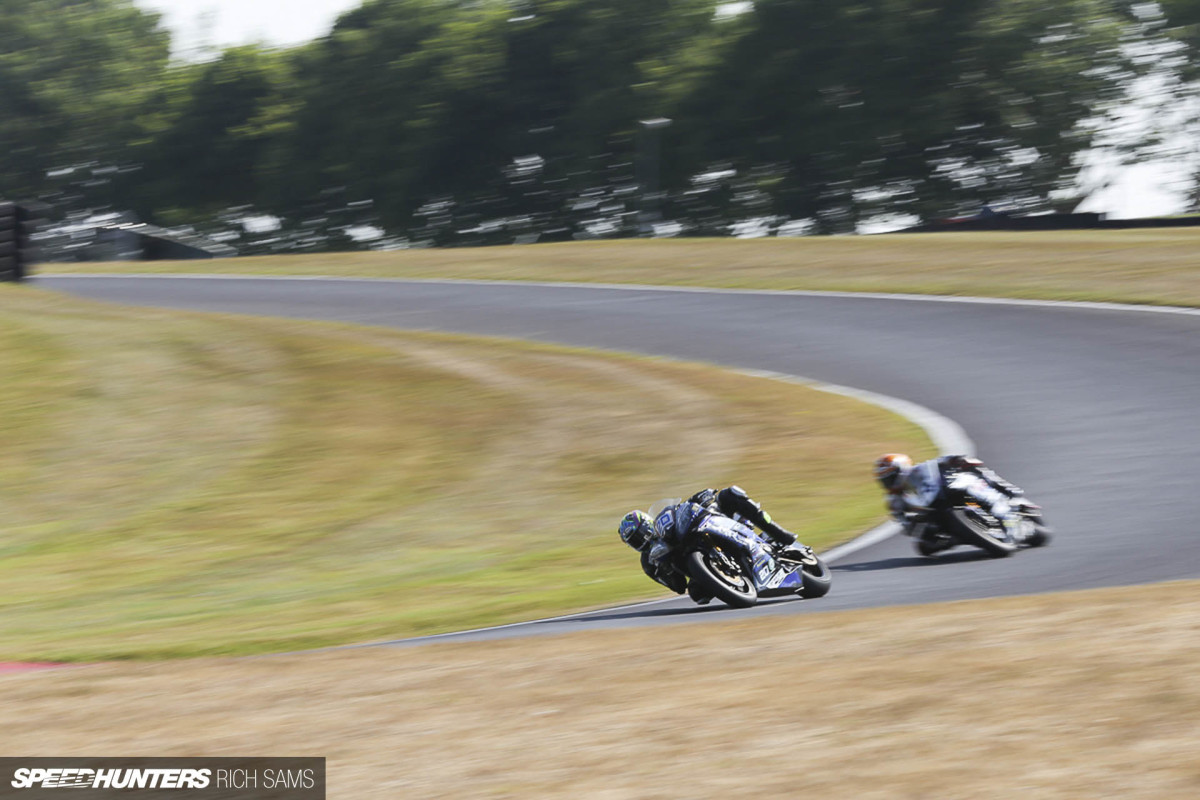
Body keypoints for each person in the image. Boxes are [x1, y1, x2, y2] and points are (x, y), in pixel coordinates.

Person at [618, 486, 809, 597]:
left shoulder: (665, 521)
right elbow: (678, 587)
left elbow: (685, 509)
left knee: (729, 494)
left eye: (638, 534)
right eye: (633, 541)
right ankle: (735, 581)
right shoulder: (648, 562)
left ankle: (779, 534)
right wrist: (667, 572)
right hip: (698, 568)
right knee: (697, 595)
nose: (640, 541)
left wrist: (702, 497)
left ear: (647, 524)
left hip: (704, 531)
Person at [873, 453, 1033, 553]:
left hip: (947, 491)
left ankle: (1006, 496)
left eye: (890, 478)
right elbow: (903, 523)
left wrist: (956, 461)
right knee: (924, 547)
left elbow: (944, 461)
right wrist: (913, 524)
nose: (888, 483)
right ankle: (958, 537)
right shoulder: (893, 500)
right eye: (885, 481)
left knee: (973, 472)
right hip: (931, 511)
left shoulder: (921, 469)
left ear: (900, 469)